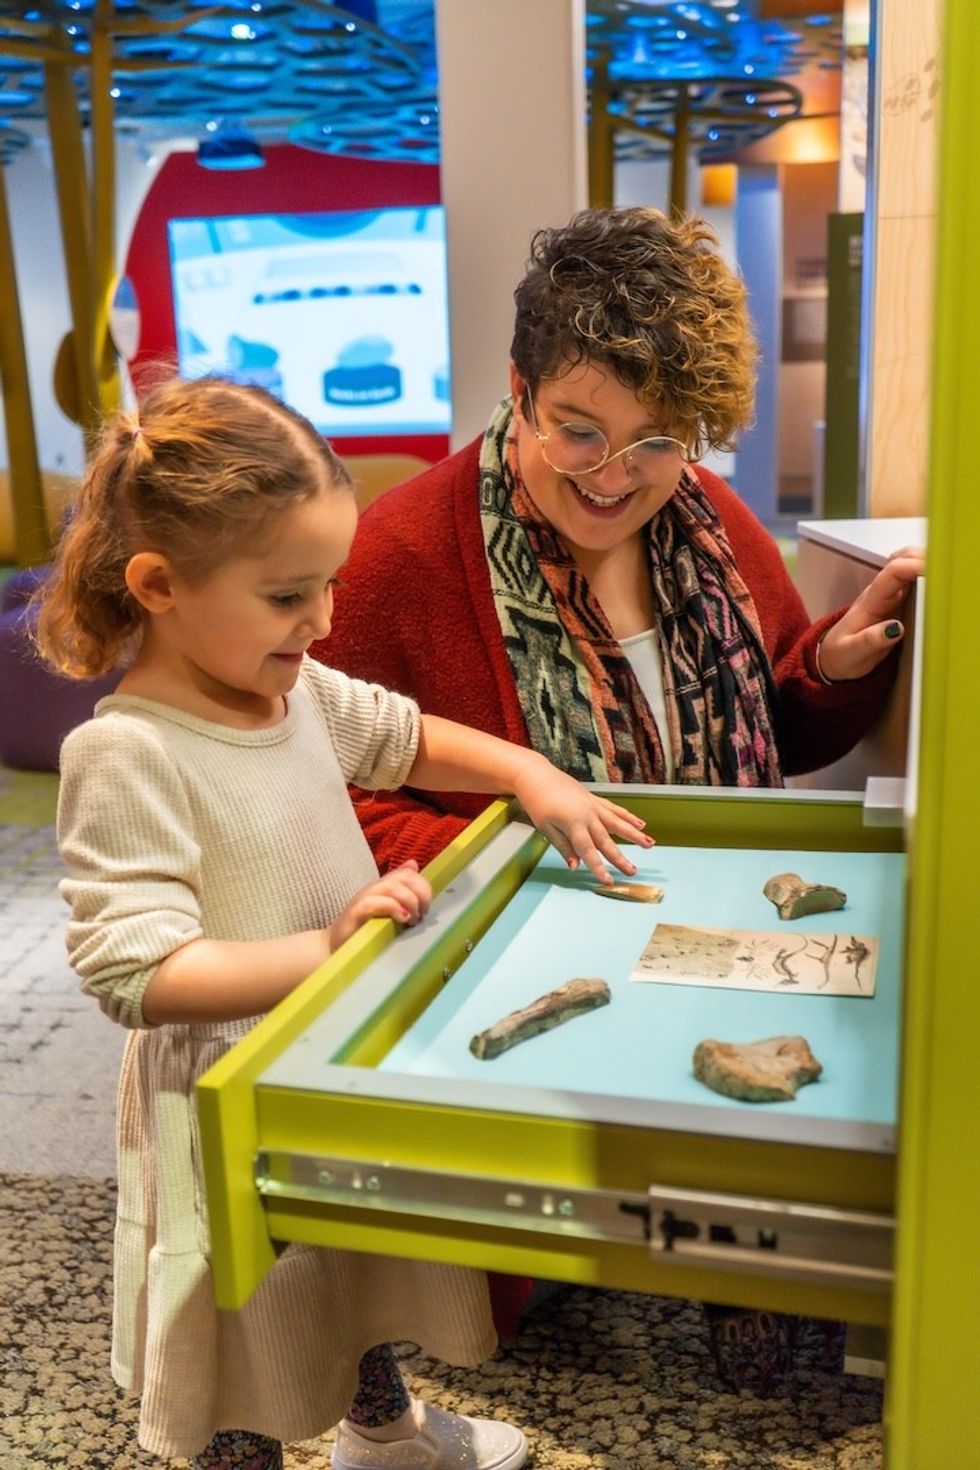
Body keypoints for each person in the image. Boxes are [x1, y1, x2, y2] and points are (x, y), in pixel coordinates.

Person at [316, 205, 923, 1389]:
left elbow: (779, 737)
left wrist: (835, 664)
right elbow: (337, 790)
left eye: (657, 441)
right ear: (517, 388)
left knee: (770, 1320)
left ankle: (733, 1281)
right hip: (530, 950)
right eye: (575, 431)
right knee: (545, 1324)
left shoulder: (704, 523)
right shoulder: (398, 554)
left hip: (703, 935)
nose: (614, 477)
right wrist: (514, 864)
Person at [34, 375, 653, 1470]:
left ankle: (383, 1433)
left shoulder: (300, 690)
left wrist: (529, 773)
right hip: (223, 1099)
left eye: (326, 586)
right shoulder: (122, 754)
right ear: (158, 584)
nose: (320, 621)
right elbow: (136, 971)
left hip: (326, 1059)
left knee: (350, 1264)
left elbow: (406, 738)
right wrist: (322, 949)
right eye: (286, 597)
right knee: (247, 1320)